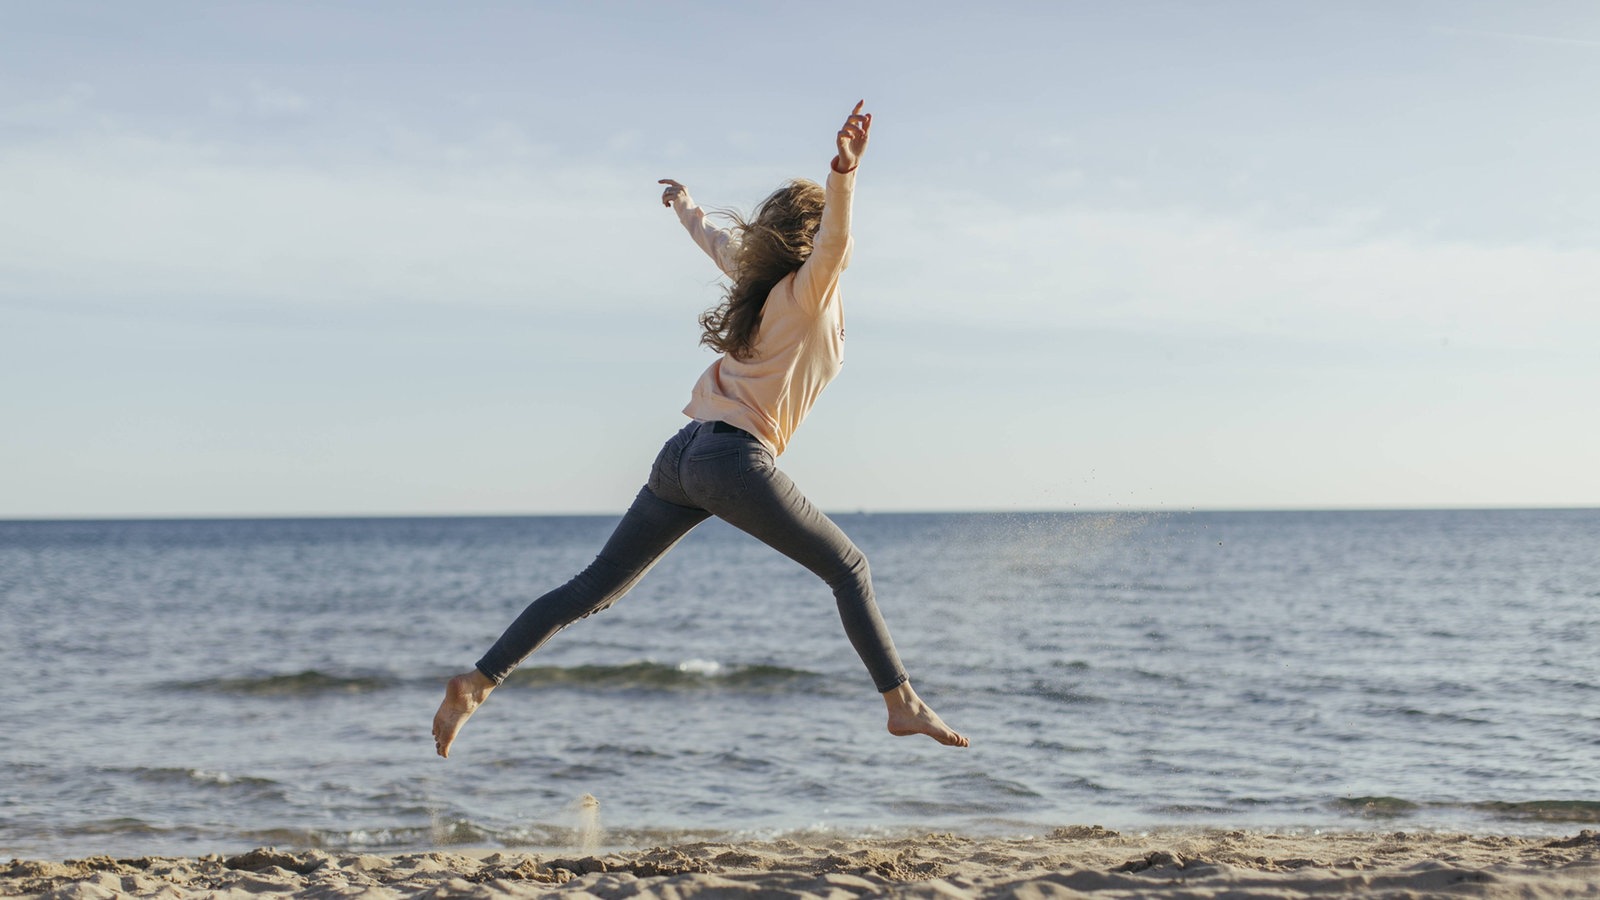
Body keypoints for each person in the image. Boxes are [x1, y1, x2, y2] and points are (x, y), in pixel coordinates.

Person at [432, 101, 967, 757]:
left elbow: (715, 240)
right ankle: (902, 703)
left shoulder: (756, 283)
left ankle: (480, 680)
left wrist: (687, 206)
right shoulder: (809, 289)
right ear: (816, 231)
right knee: (849, 569)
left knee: (591, 590)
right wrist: (844, 174)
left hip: (682, 456)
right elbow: (834, 242)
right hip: (732, 460)